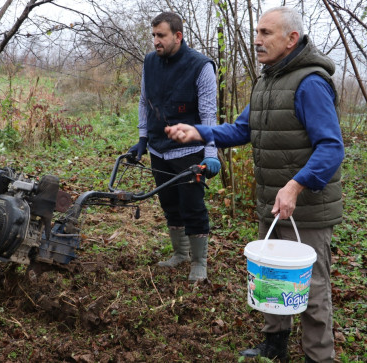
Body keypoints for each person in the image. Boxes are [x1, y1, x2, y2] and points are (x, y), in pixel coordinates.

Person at [165, 6, 344, 363]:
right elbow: (242, 129)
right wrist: (200, 131)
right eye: (256, 32)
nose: (257, 40)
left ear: (291, 39)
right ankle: (274, 346)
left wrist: (295, 186)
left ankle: (319, 357)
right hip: (273, 204)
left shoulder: (310, 83)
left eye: (266, 33)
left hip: (305, 209)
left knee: (311, 290)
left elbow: (332, 147)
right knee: (272, 278)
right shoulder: (267, 79)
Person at [128, 11, 221, 282]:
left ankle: (199, 261)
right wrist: (143, 139)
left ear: (177, 36)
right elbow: (145, 102)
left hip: (189, 152)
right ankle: (180, 253)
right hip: (159, 149)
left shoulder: (201, 66)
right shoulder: (149, 62)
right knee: (169, 205)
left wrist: (211, 154)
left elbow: (208, 116)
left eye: (161, 36)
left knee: (192, 206)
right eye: (153, 35)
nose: (155, 41)